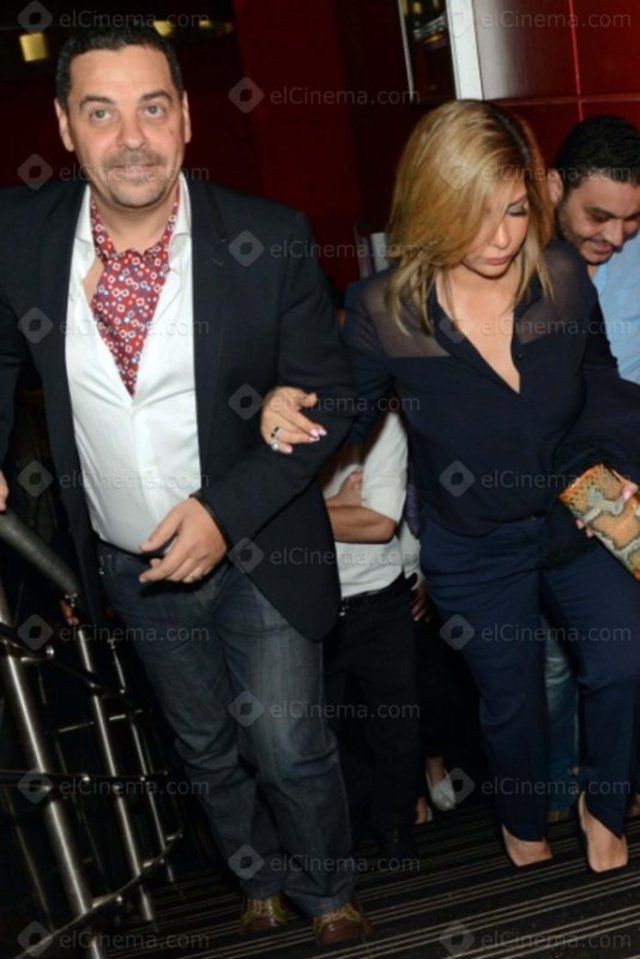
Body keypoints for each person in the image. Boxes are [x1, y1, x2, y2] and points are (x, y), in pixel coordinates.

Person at [0, 24, 374, 947]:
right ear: (65, 126)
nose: (132, 137)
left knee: (287, 744)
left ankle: (328, 891)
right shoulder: (18, 233)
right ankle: (256, 879)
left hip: (262, 546)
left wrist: (222, 511)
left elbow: (335, 393)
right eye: (102, 113)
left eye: (153, 108)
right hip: (131, 562)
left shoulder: (268, 237)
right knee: (203, 744)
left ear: (188, 119)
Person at [259, 99, 640, 874]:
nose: (502, 237)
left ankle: (604, 804)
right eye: (477, 214)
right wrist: (283, 406)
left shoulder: (561, 274)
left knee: (623, 661)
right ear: (434, 205)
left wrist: (619, 463)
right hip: (473, 543)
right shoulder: (385, 310)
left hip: (573, 513)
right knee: (513, 699)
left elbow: (598, 375)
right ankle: (523, 824)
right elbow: (341, 412)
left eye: (515, 210)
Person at [545, 115, 640, 818]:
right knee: (556, 663)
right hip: (556, 483)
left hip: (628, 471)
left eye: (632, 219)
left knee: (620, 653)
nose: (616, 235)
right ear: (556, 188)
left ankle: (617, 783)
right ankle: (558, 791)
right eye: (598, 217)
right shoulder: (515, 262)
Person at [319, 406, 421, 862]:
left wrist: (301, 511)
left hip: (380, 600)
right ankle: (354, 815)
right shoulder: (278, 423)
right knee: (307, 736)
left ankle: (395, 828)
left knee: (398, 730)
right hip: (308, 605)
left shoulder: (384, 420)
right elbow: (256, 512)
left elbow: (379, 525)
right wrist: (339, 508)